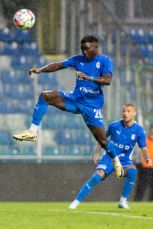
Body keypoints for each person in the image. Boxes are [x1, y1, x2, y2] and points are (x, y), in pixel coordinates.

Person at [13, 35, 123, 178]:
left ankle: (116, 160)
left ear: (96, 47)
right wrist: (40, 70)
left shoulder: (104, 61)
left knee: (102, 141)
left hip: (91, 106)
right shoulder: (78, 59)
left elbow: (107, 80)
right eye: (82, 49)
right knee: (45, 96)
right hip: (74, 99)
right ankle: (32, 132)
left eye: (87, 49)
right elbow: (59, 65)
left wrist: (87, 77)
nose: (84, 52)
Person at [69, 103, 152, 210]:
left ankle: (122, 201)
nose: (125, 113)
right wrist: (97, 152)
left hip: (124, 160)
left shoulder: (139, 130)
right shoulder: (114, 125)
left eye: (128, 111)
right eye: (124, 111)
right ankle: (75, 202)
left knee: (133, 171)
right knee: (97, 176)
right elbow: (102, 139)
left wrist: (147, 158)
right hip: (109, 158)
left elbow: (143, 148)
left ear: (134, 114)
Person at [134, 125, 153, 201]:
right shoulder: (145, 139)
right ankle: (137, 201)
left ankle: (151, 202)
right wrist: (142, 162)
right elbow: (141, 151)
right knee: (141, 186)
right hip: (145, 167)